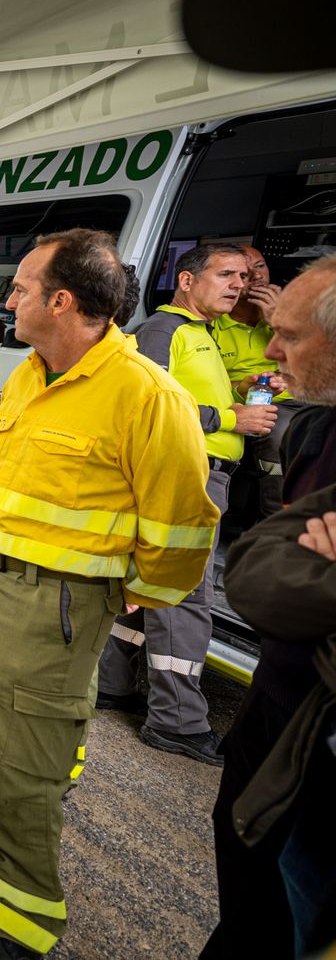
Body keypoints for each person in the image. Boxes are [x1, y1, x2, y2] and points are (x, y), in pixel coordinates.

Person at [0, 228, 217, 960]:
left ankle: (23, 924)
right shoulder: (28, 372)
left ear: (62, 299)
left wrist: (127, 594)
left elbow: (183, 527)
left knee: (28, 765)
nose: (7, 299)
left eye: (20, 287)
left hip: (58, 602)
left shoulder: (147, 394)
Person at [204, 255, 336, 958]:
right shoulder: (320, 427)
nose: (271, 349)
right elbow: (255, 572)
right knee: (250, 887)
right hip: (277, 704)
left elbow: (262, 580)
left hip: (318, 731)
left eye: (290, 335)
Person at [101, 244, 275, 763]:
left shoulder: (204, 334)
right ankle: (177, 721)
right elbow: (141, 405)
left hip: (201, 476)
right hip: (188, 477)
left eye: (243, 276)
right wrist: (230, 420)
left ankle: (112, 684)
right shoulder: (166, 330)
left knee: (153, 588)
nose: (238, 284)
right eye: (225, 274)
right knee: (186, 597)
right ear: (185, 280)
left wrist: (238, 393)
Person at [215, 483, 336, 958]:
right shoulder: (316, 425)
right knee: (254, 914)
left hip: (307, 732)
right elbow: (248, 570)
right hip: (281, 713)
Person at [214, 243, 304, 515]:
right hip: (259, 404)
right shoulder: (214, 324)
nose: (257, 278)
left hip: (309, 395)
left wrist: (280, 321)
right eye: (244, 273)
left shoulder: (293, 313)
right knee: (284, 434)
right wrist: (248, 388)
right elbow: (210, 383)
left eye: (261, 267)